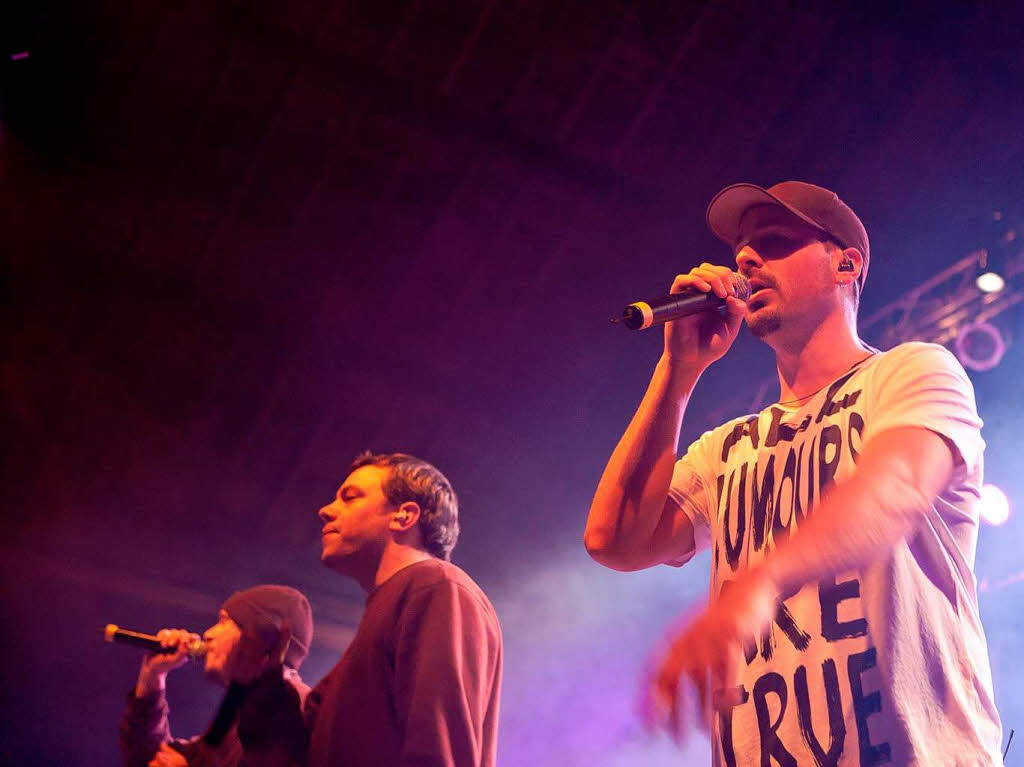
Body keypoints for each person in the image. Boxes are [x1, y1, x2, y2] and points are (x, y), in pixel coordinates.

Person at [585, 181, 1003, 765]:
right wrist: (677, 372)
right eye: (743, 253)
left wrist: (759, 585)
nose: (747, 259)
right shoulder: (727, 449)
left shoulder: (912, 374)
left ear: (846, 264)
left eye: (775, 242)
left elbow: (895, 489)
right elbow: (613, 541)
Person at [305, 451, 503, 766]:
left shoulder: (437, 586)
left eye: (350, 498)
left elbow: (438, 751)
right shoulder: (398, 601)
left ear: (403, 516)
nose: (326, 510)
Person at [119, 584, 314, 767]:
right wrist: (153, 676)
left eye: (224, 622)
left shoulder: (294, 711)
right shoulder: (237, 709)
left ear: (261, 635)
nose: (209, 633)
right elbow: (153, 760)